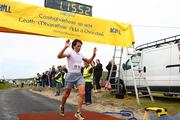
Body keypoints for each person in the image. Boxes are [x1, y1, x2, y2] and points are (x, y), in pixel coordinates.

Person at [57, 39, 96, 120]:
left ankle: (78, 112)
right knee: (66, 94)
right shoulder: (70, 52)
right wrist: (65, 47)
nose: (79, 47)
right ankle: (62, 106)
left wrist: (94, 55)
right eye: (78, 46)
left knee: (82, 93)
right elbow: (59, 56)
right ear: (74, 46)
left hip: (79, 76)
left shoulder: (81, 55)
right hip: (70, 75)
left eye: (80, 46)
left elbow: (88, 61)